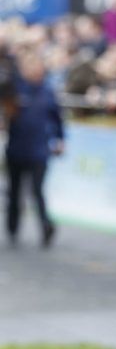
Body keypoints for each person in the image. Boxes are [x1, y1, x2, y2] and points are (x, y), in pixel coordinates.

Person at [4, 51, 64, 247]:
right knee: (14, 191)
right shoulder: (14, 90)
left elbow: (57, 118)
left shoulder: (48, 91)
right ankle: (12, 227)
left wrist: (60, 139)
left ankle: (46, 226)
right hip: (16, 149)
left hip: (39, 150)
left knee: (37, 190)